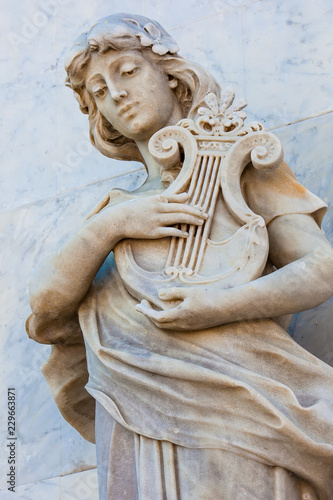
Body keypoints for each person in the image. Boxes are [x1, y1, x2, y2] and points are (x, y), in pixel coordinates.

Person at [26, 13, 333, 500]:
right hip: (134, 415)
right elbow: (45, 305)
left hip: (242, 413)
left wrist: (215, 308)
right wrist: (113, 226)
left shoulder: (240, 170)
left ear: (172, 75)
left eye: (128, 71)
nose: (116, 95)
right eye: (99, 91)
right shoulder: (112, 216)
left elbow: (321, 269)